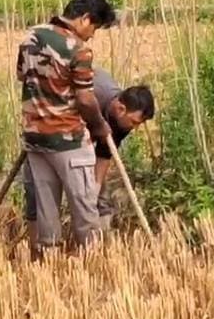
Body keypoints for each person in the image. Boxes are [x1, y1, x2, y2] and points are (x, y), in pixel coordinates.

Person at [15, 0, 119, 261]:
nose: (92, 34)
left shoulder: (30, 37)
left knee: (47, 207)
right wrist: (99, 126)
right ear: (85, 18)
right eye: (94, 27)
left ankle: (47, 260)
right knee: (84, 205)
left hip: (35, 140)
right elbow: (85, 99)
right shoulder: (79, 50)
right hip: (68, 140)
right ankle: (93, 260)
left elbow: (21, 77)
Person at [22, 70, 155, 233]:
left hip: (82, 143)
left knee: (97, 198)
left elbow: (105, 154)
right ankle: (40, 244)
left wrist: (95, 188)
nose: (134, 127)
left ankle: (96, 245)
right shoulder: (91, 98)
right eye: (134, 122)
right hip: (49, 130)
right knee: (37, 191)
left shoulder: (124, 122)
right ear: (120, 108)